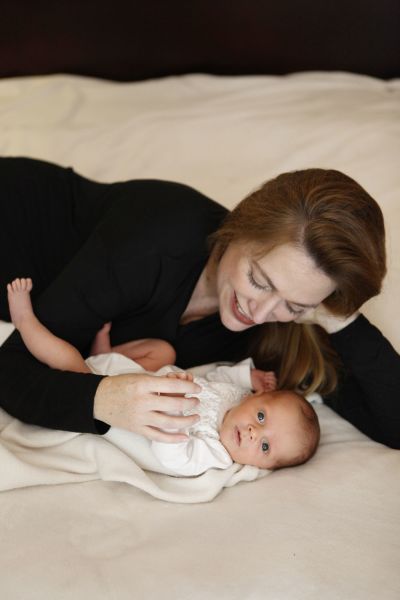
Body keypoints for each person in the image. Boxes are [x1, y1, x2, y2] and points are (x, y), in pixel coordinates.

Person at [0, 157, 398, 448]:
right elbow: (11, 371)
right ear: (239, 228)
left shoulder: (281, 325)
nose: (257, 314)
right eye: (258, 280)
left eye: (293, 306)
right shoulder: (158, 237)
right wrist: (106, 399)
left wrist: (339, 318)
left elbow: (394, 426)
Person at [7, 277, 319, 475]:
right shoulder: (236, 400)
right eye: (261, 416)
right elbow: (223, 377)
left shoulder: (216, 454)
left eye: (264, 447)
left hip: (101, 394)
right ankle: (107, 350)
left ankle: (25, 321)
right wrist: (248, 377)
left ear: (264, 466)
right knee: (164, 351)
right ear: (257, 398)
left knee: (68, 359)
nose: (253, 432)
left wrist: (179, 406)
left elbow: (172, 458)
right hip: (136, 373)